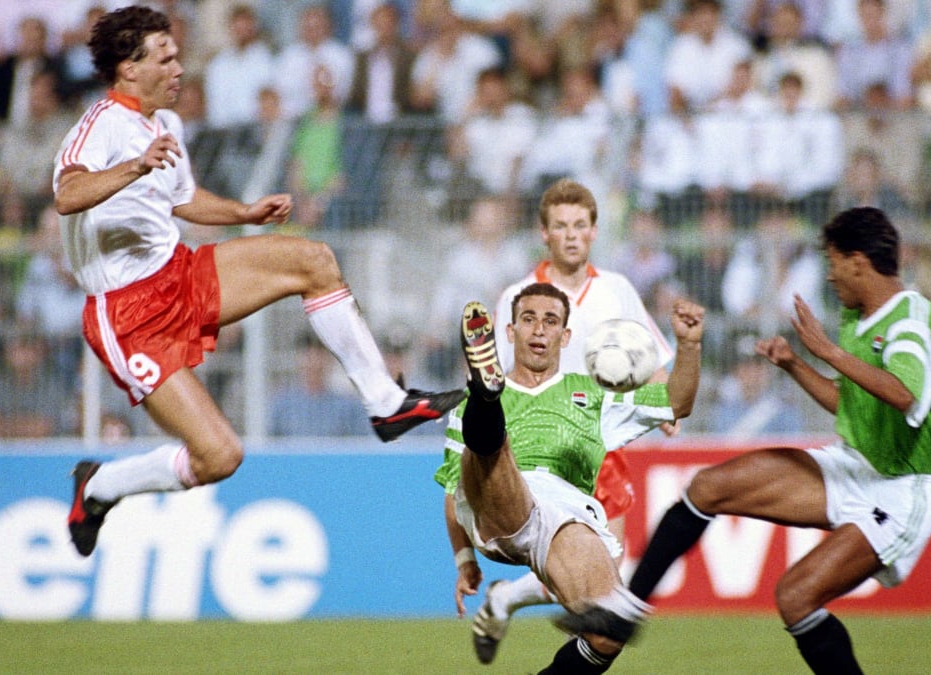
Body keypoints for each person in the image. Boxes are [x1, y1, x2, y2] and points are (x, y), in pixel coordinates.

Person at [57, 6, 464, 558]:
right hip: (127, 315)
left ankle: (385, 402)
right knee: (219, 457)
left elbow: (182, 198)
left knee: (315, 262)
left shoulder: (166, 125)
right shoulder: (100, 127)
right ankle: (99, 487)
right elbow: (67, 195)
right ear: (129, 69)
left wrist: (243, 212)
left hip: (177, 273)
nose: (180, 67)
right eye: (166, 57)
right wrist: (133, 166)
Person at [627, 207, 931, 674]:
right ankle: (625, 611)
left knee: (796, 596)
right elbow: (852, 403)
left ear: (859, 261)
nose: (830, 272)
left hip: (902, 488)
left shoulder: (909, 320)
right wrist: (797, 366)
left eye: (834, 260)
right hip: (856, 466)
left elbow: (906, 395)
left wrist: (828, 352)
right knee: (710, 486)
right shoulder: (858, 317)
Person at [438, 284, 705, 673]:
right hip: (492, 501)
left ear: (565, 336)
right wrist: (464, 560)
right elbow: (451, 492)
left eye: (550, 322)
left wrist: (689, 346)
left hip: (562, 516)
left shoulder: (594, 395)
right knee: (493, 452)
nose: (539, 331)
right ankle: (487, 398)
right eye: (528, 319)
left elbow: (678, 402)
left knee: (608, 630)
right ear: (510, 332)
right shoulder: (460, 410)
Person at [474, 178, 675, 665]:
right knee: (596, 590)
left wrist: (665, 404)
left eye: (580, 225)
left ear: (594, 231)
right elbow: (494, 377)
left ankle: (506, 599)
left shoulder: (617, 290)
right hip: (544, 443)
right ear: (544, 233)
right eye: (560, 225)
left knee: (610, 581)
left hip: (604, 437)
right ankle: (521, 608)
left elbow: (650, 355)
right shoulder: (521, 295)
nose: (571, 235)